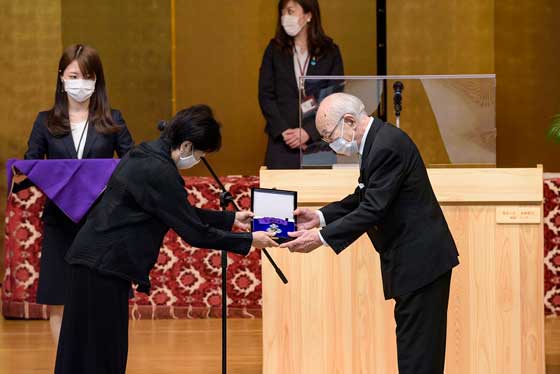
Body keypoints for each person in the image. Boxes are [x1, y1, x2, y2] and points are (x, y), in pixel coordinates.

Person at [54, 104, 278, 374]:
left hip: (92, 263)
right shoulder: (159, 172)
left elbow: (178, 211)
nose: (197, 160)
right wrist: (249, 240)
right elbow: (194, 232)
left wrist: (231, 219)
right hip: (102, 267)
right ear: (185, 146)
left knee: (82, 352)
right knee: (102, 354)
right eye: (200, 154)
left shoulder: (144, 154)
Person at [280, 93, 460, 374]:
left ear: (349, 120)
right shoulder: (378, 142)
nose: (331, 144)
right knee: (416, 352)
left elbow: (373, 209)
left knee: (419, 355)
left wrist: (321, 238)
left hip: (421, 263)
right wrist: (318, 217)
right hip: (413, 263)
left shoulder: (387, 145)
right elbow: (362, 198)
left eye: (329, 136)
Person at [21, 44, 134, 347]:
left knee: (104, 297)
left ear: (97, 80)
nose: (80, 82)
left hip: (103, 224)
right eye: (73, 75)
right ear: (61, 77)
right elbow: (30, 162)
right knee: (60, 297)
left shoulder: (114, 120)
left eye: (87, 76)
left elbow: (133, 166)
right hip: (60, 222)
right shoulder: (44, 122)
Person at [259, 0, 344, 169]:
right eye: (282, 12)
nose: (285, 17)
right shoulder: (274, 50)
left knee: (320, 194)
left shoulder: (330, 52)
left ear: (308, 15)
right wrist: (285, 132)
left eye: (290, 11)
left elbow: (335, 97)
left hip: (318, 143)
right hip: (282, 143)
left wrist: (308, 132)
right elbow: (265, 94)